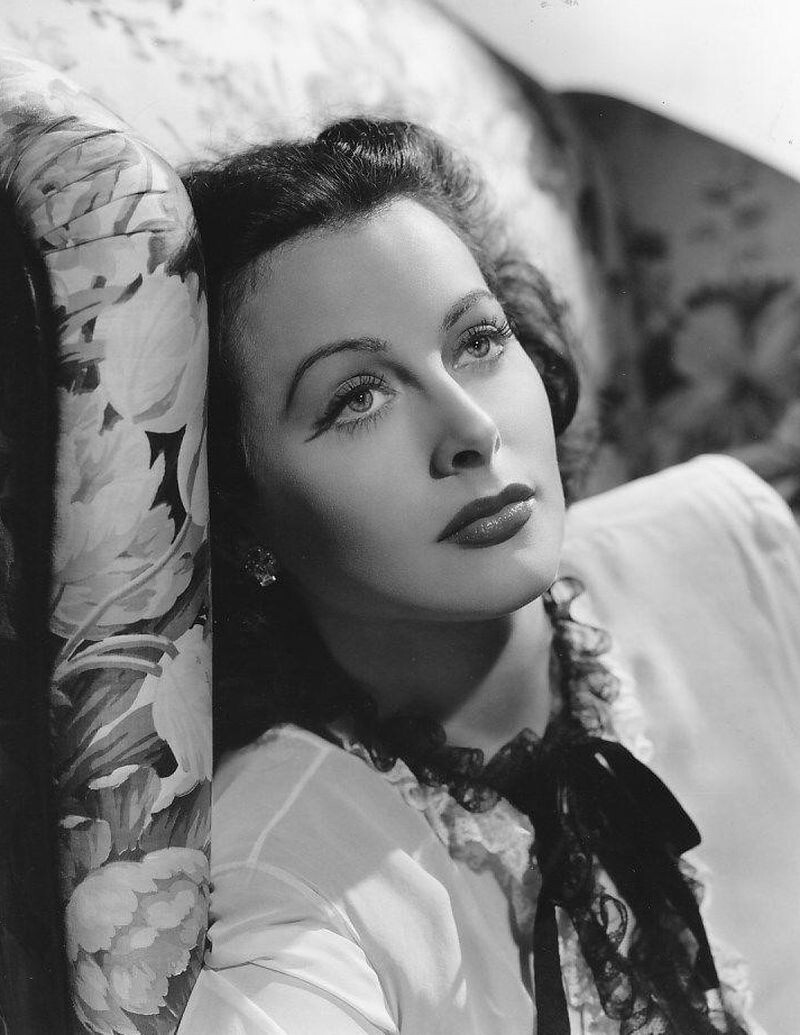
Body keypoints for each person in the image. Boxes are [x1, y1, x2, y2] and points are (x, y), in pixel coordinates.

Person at [177, 118, 800, 1034]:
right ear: (240, 515)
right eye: (357, 397)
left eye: (477, 341)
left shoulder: (728, 541)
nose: (472, 427)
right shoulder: (280, 876)